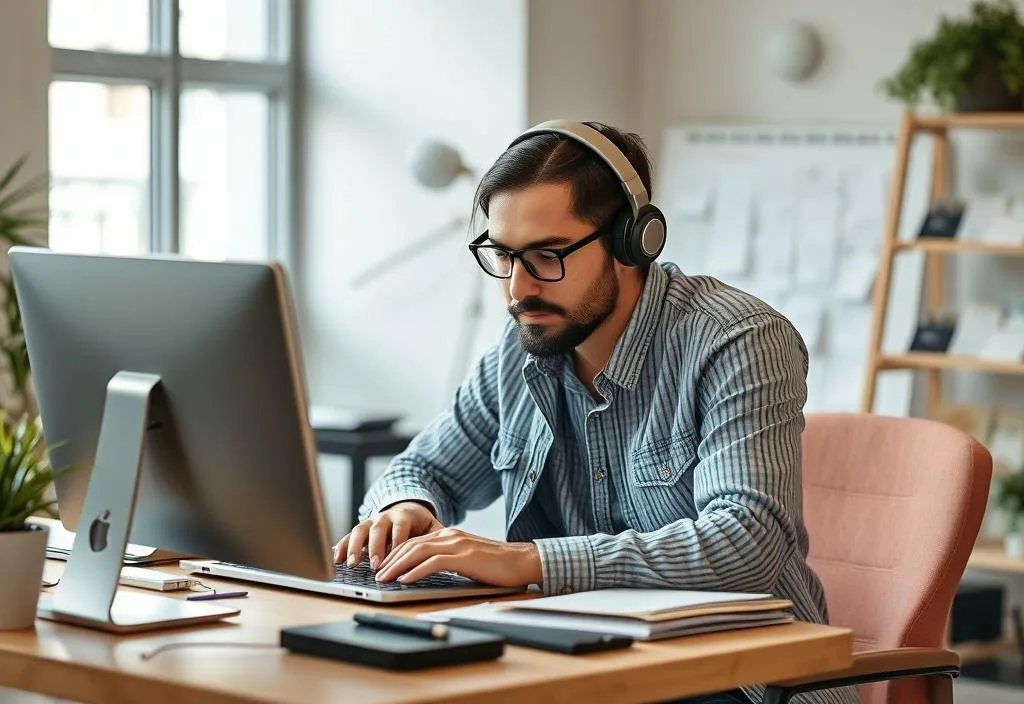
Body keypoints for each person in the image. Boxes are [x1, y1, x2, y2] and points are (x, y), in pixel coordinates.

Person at [334, 120, 859, 704]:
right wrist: (406, 508)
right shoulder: (523, 348)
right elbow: (419, 470)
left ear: (633, 241)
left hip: (738, 681)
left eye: (547, 256)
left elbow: (745, 545)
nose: (516, 289)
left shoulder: (738, 340)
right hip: (574, 669)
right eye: (502, 256)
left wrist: (529, 562)